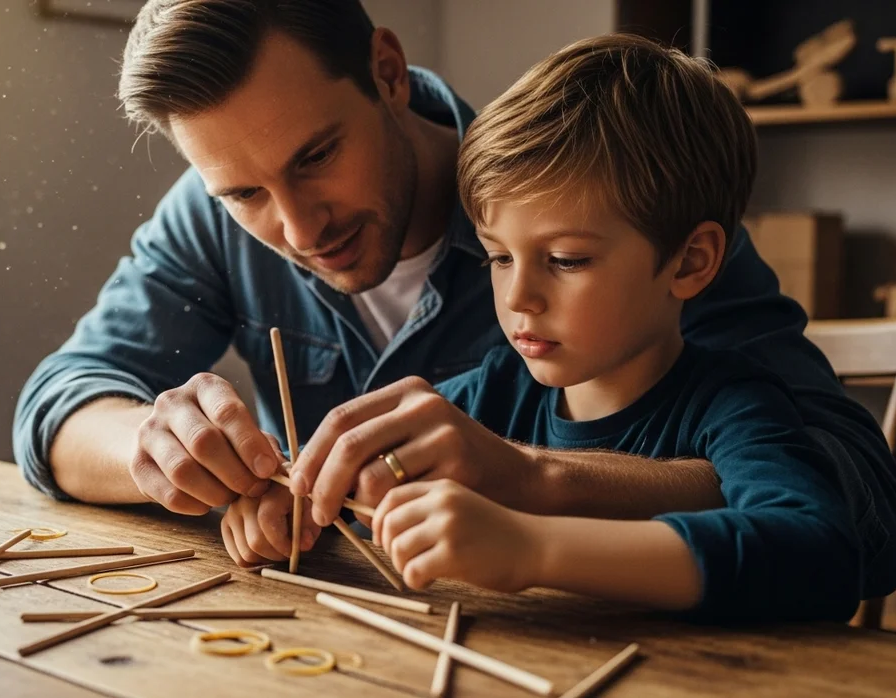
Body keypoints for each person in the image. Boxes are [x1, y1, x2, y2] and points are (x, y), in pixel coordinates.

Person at [12, 0, 896, 605]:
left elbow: (856, 511)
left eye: (317, 156)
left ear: (388, 72)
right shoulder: (215, 215)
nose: (295, 226)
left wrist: (536, 485)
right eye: (243, 195)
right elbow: (57, 401)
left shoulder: (614, 195)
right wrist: (173, 457)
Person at [304, 33, 863, 622]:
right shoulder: (488, 394)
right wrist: (282, 499)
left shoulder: (733, 406)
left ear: (690, 261)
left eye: (567, 260)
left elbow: (819, 555)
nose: (519, 297)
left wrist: (532, 548)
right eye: (498, 257)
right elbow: (351, 488)